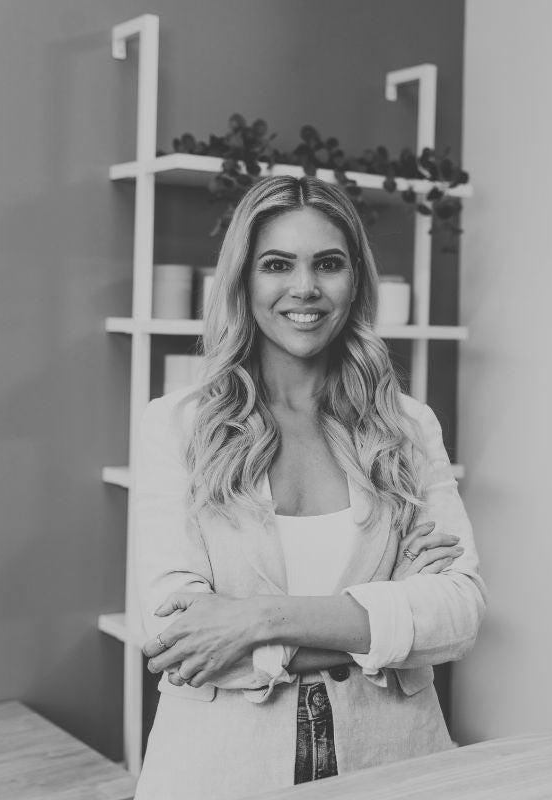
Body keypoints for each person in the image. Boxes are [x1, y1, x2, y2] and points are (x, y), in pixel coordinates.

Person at [133, 175, 486, 800]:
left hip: (395, 763)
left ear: (355, 280)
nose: (305, 288)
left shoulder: (406, 427)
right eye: (277, 264)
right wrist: (388, 614)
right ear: (243, 280)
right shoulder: (177, 426)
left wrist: (254, 620)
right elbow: (175, 638)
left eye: (328, 264)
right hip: (222, 773)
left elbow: (457, 614)